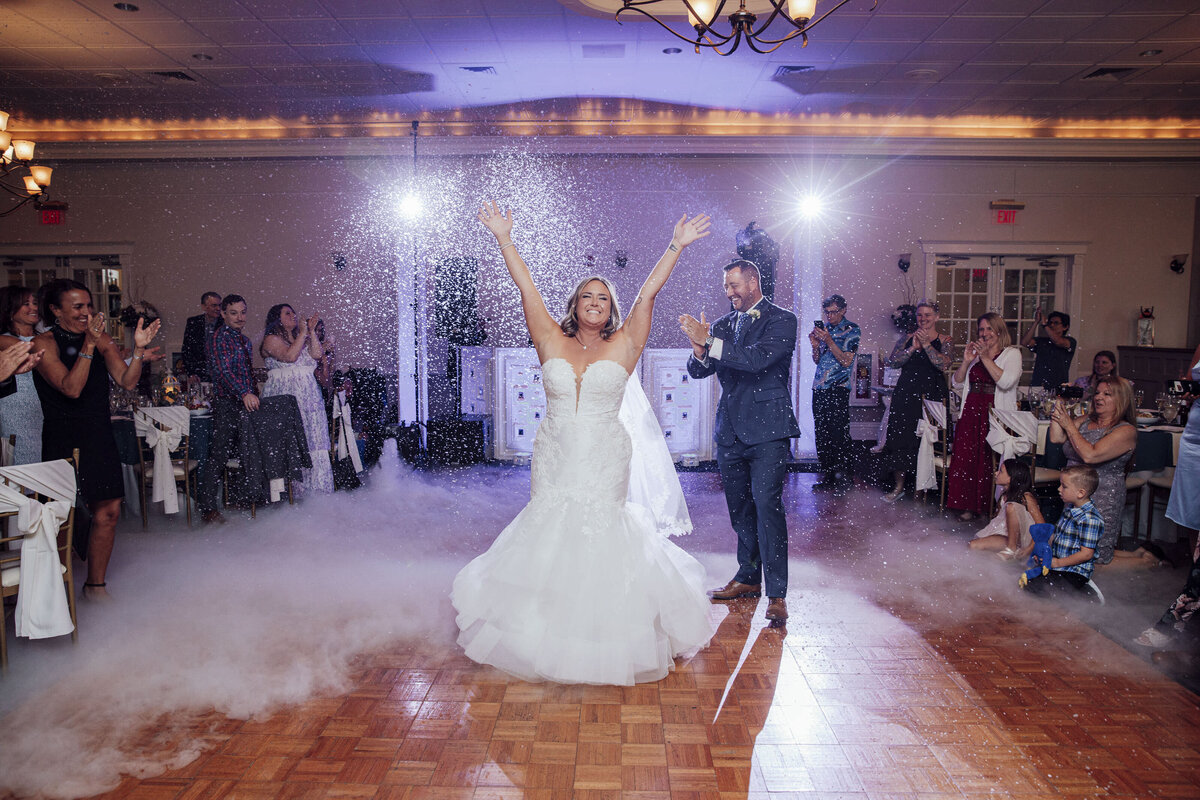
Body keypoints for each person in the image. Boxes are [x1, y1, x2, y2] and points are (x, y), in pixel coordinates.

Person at [451, 202, 714, 685]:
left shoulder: (626, 342)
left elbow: (648, 293)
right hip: (555, 451)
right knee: (550, 529)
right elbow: (526, 287)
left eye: (603, 298)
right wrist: (504, 238)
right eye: (587, 296)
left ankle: (602, 638)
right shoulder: (549, 337)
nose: (595, 302)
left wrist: (675, 245)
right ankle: (542, 634)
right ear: (575, 305)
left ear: (611, 309)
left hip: (603, 453)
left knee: (598, 531)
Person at [680, 260, 801, 623]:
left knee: (767, 507)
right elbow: (700, 370)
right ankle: (748, 578)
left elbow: (757, 361)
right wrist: (698, 349)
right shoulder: (720, 325)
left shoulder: (782, 320)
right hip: (730, 432)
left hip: (769, 432)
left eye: (734, 285)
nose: (729, 292)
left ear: (752, 283)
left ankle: (777, 593)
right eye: (726, 287)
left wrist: (710, 342)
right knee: (741, 510)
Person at [32, 279, 160, 599]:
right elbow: (71, 388)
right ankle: (54, 594)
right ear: (56, 310)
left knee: (109, 511)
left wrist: (138, 350)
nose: (86, 313)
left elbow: (126, 381)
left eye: (89, 306)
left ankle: (95, 586)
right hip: (63, 436)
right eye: (77, 307)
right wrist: (88, 345)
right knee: (63, 515)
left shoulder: (101, 337)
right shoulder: (43, 343)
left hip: (98, 432)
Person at [1049, 375, 1136, 566]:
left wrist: (1069, 425)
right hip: (1075, 495)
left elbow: (1090, 455)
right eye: (1097, 393)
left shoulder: (1126, 431)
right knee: (1069, 549)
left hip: (1102, 496)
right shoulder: (1085, 420)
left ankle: (1147, 562)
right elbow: (1056, 437)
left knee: (1095, 559)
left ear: (1122, 399)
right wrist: (1060, 401)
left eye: (1107, 394)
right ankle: (1141, 556)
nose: (1098, 397)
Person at [947, 312, 1022, 521]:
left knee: (989, 460)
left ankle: (989, 507)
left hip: (994, 413)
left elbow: (1005, 382)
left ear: (999, 331)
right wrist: (966, 361)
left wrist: (986, 358)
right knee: (968, 459)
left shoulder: (1012, 354)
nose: (984, 333)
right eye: (981, 329)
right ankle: (968, 506)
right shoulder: (976, 356)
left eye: (989, 328)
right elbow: (957, 383)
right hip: (971, 411)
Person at [879, 301, 952, 502]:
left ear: (936, 317)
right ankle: (899, 486)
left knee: (927, 440)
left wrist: (927, 345)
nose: (923, 319)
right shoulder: (906, 338)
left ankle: (923, 489)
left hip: (932, 396)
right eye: (920, 315)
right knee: (901, 440)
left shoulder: (945, 340)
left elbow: (943, 365)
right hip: (906, 394)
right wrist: (913, 347)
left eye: (928, 315)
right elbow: (893, 362)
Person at [260, 304, 333, 496]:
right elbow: (290, 356)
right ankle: (291, 494)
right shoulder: (271, 339)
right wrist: (302, 333)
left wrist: (311, 331)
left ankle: (316, 492)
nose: (293, 315)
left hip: (309, 399)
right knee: (290, 443)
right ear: (277, 318)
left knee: (312, 442)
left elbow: (317, 355)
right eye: (287, 313)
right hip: (285, 398)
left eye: (293, 312)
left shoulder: (300, 338)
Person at [197, 294, 257, 524]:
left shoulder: (246, 341)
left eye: (243, 312)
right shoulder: (219, 338)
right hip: (226, 403)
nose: (240, 317)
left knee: (246, 451)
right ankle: (208, 508)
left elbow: (246, 374)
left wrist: (252, 393)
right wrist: (244, 393)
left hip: (244, 402)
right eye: (234, 313)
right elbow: (223, 372)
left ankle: (241, 498)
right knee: (219, 454)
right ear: (223, 314)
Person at [1021, 464, 1102, 597]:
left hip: (1074, 572)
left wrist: (1058, 562)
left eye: (1064, 486)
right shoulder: (1070, 509)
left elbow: (1086, 554)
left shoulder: (1090, 519)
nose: (1059, 489)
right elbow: (1058, 538)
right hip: (1060, 566)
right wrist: (1045, 556)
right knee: (1027, 581)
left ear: (1080, 493)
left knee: (1040, 589)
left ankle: (1087, 595)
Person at [807, 293, 859, 492]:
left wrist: (828, 341)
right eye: (827, 312)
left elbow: (846, 361)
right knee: (822, 435)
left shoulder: (852, 330)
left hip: (838, 388)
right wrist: (815, 347)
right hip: (819, 388)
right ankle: (828, 476)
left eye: (834, 312)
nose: (830, 316)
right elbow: (818, 361)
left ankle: (844, 479)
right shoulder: (825, 330)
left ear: (843, 310)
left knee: (839, 434)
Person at [0, 286, 45, 464]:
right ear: (10, 310)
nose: (34, 308)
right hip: (17, 405)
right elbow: (35, 353)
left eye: (35, 303)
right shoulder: (4, 339)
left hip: (42, 403)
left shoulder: (43, 337)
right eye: (26, 304)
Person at [968, 459, 1044, 558]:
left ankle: (1012, 549)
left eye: (1001, 471)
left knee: (1011, 507)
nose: (996, 473)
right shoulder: (1004, 495)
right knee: (973, 545)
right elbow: (998, 521)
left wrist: (1029, 549)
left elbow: (1042, 526)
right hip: (1007, 536)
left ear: (1011, 478)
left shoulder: (1026, 497)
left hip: (1023, 540)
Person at [1166, 343, 1200, 557]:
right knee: (1192, 506)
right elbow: (1189, 381)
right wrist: (1188, 391)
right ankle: (1195, 568)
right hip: (1194, 435)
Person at [1020, 309, 1076, 390]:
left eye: (1056, 323)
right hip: (1039, 386)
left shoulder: (1070, 341)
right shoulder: (1042, 341)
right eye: (1050, 323)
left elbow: (1057, 341)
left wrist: (1045, 325)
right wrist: (1036, 322)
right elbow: (1025, 342)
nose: (1052, 325)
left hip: (1059, 386)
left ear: (1065, 327)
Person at [181, 291, 222, 380]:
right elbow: (187, 350)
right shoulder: (193, 323)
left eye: (220, 305)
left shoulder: (225, 324)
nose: (218, 308)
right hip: (199, 375)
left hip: (221, 375)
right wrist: (191, 373)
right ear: (204, 307)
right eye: (214, 305)